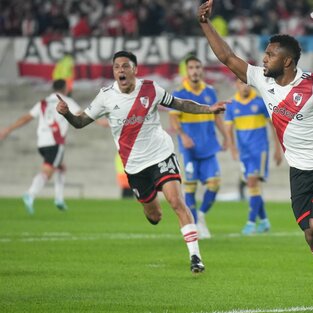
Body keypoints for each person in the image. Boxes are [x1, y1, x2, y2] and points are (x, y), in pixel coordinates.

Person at [198, 0, 313, 307]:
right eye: (265, 54)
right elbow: (226, 57)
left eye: (270, 54)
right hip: (298, 171)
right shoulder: (263, 80)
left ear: (287, 61)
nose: (263, 59)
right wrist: (205, 24)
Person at [56, 50, 226, 273]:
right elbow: (79, 123)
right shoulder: (106, 97)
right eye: (117, 67)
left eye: (125, 66)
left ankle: (195, 257)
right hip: (135, 166)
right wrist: (67, 114)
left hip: (161, 154)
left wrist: (208, 110)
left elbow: (179, 104)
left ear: (134, 69)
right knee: (154, 216)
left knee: (177, 201)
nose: (121, 70)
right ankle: (154, 203)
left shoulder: (151, 89)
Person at [169, 55, 229, 240]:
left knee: (214, 185)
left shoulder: (210, 92)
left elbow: (217, 117)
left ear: (201, 70)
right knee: (190, 189)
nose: (195, 71)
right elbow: (173, 119)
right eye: (192, 68)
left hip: (209, 147)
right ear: (187, 71)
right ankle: (194, 224)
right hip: (189, 149)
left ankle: (201, 216)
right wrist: (183, 136)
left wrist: (226, 136)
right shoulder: (179, 93)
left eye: (197, 67)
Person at [0, 79, 80, 214]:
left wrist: (8, 129)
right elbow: (81, 115)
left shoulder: (43, 103)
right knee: (47, 172)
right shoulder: (66, 101)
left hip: (42, 143)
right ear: (65, 88)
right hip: (55, 142)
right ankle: (30, 194)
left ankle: (59, 199)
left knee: (61, 168)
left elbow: (26, 118)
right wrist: (101, 121)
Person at [225, 78, 283, 235]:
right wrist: (232, 148)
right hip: (244, 152)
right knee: (254, 186)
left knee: (252, 183)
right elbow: (228, 129)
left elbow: (274, 125)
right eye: (240, 83)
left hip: (260, 149)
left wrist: (278, 148)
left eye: (246, 83)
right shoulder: (232, 104)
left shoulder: (260, 101)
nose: (244, 86)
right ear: (235, 85)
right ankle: (264, 221)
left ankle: (251, 222)